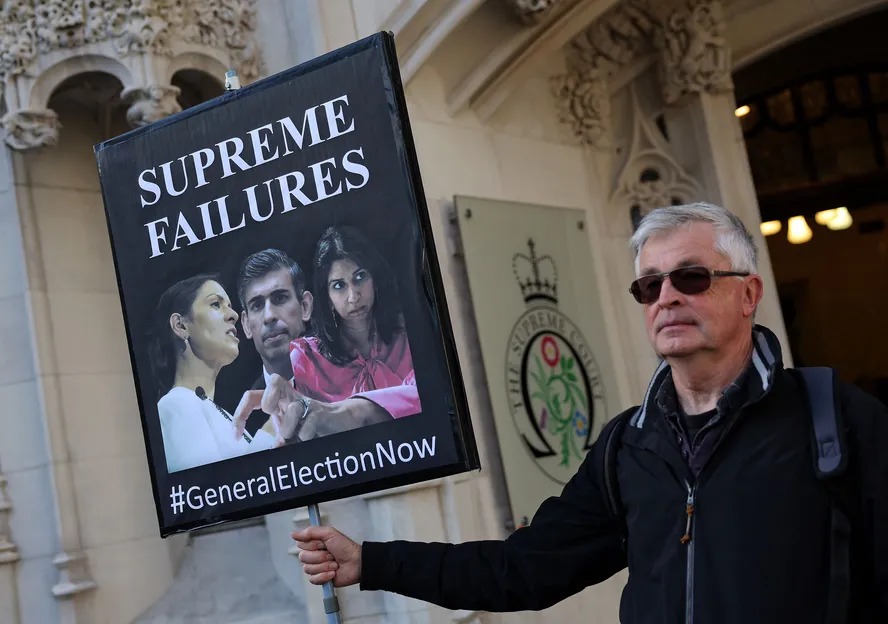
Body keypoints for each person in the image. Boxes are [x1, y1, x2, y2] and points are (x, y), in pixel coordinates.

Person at [291, 203, 888, 622]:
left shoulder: (833, 419)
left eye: (692, 277)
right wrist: (372, 561)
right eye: (649, 286)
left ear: (749, 294)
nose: (668, 297)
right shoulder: (629, 445)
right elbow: (523, 570)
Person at [148, 274, 276, 473]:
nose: (233, 314)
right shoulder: (175, 405)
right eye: (216, 304)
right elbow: (213, 494)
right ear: (180, 326)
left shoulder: (218, 412)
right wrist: (273, 429)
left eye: (230, 305)